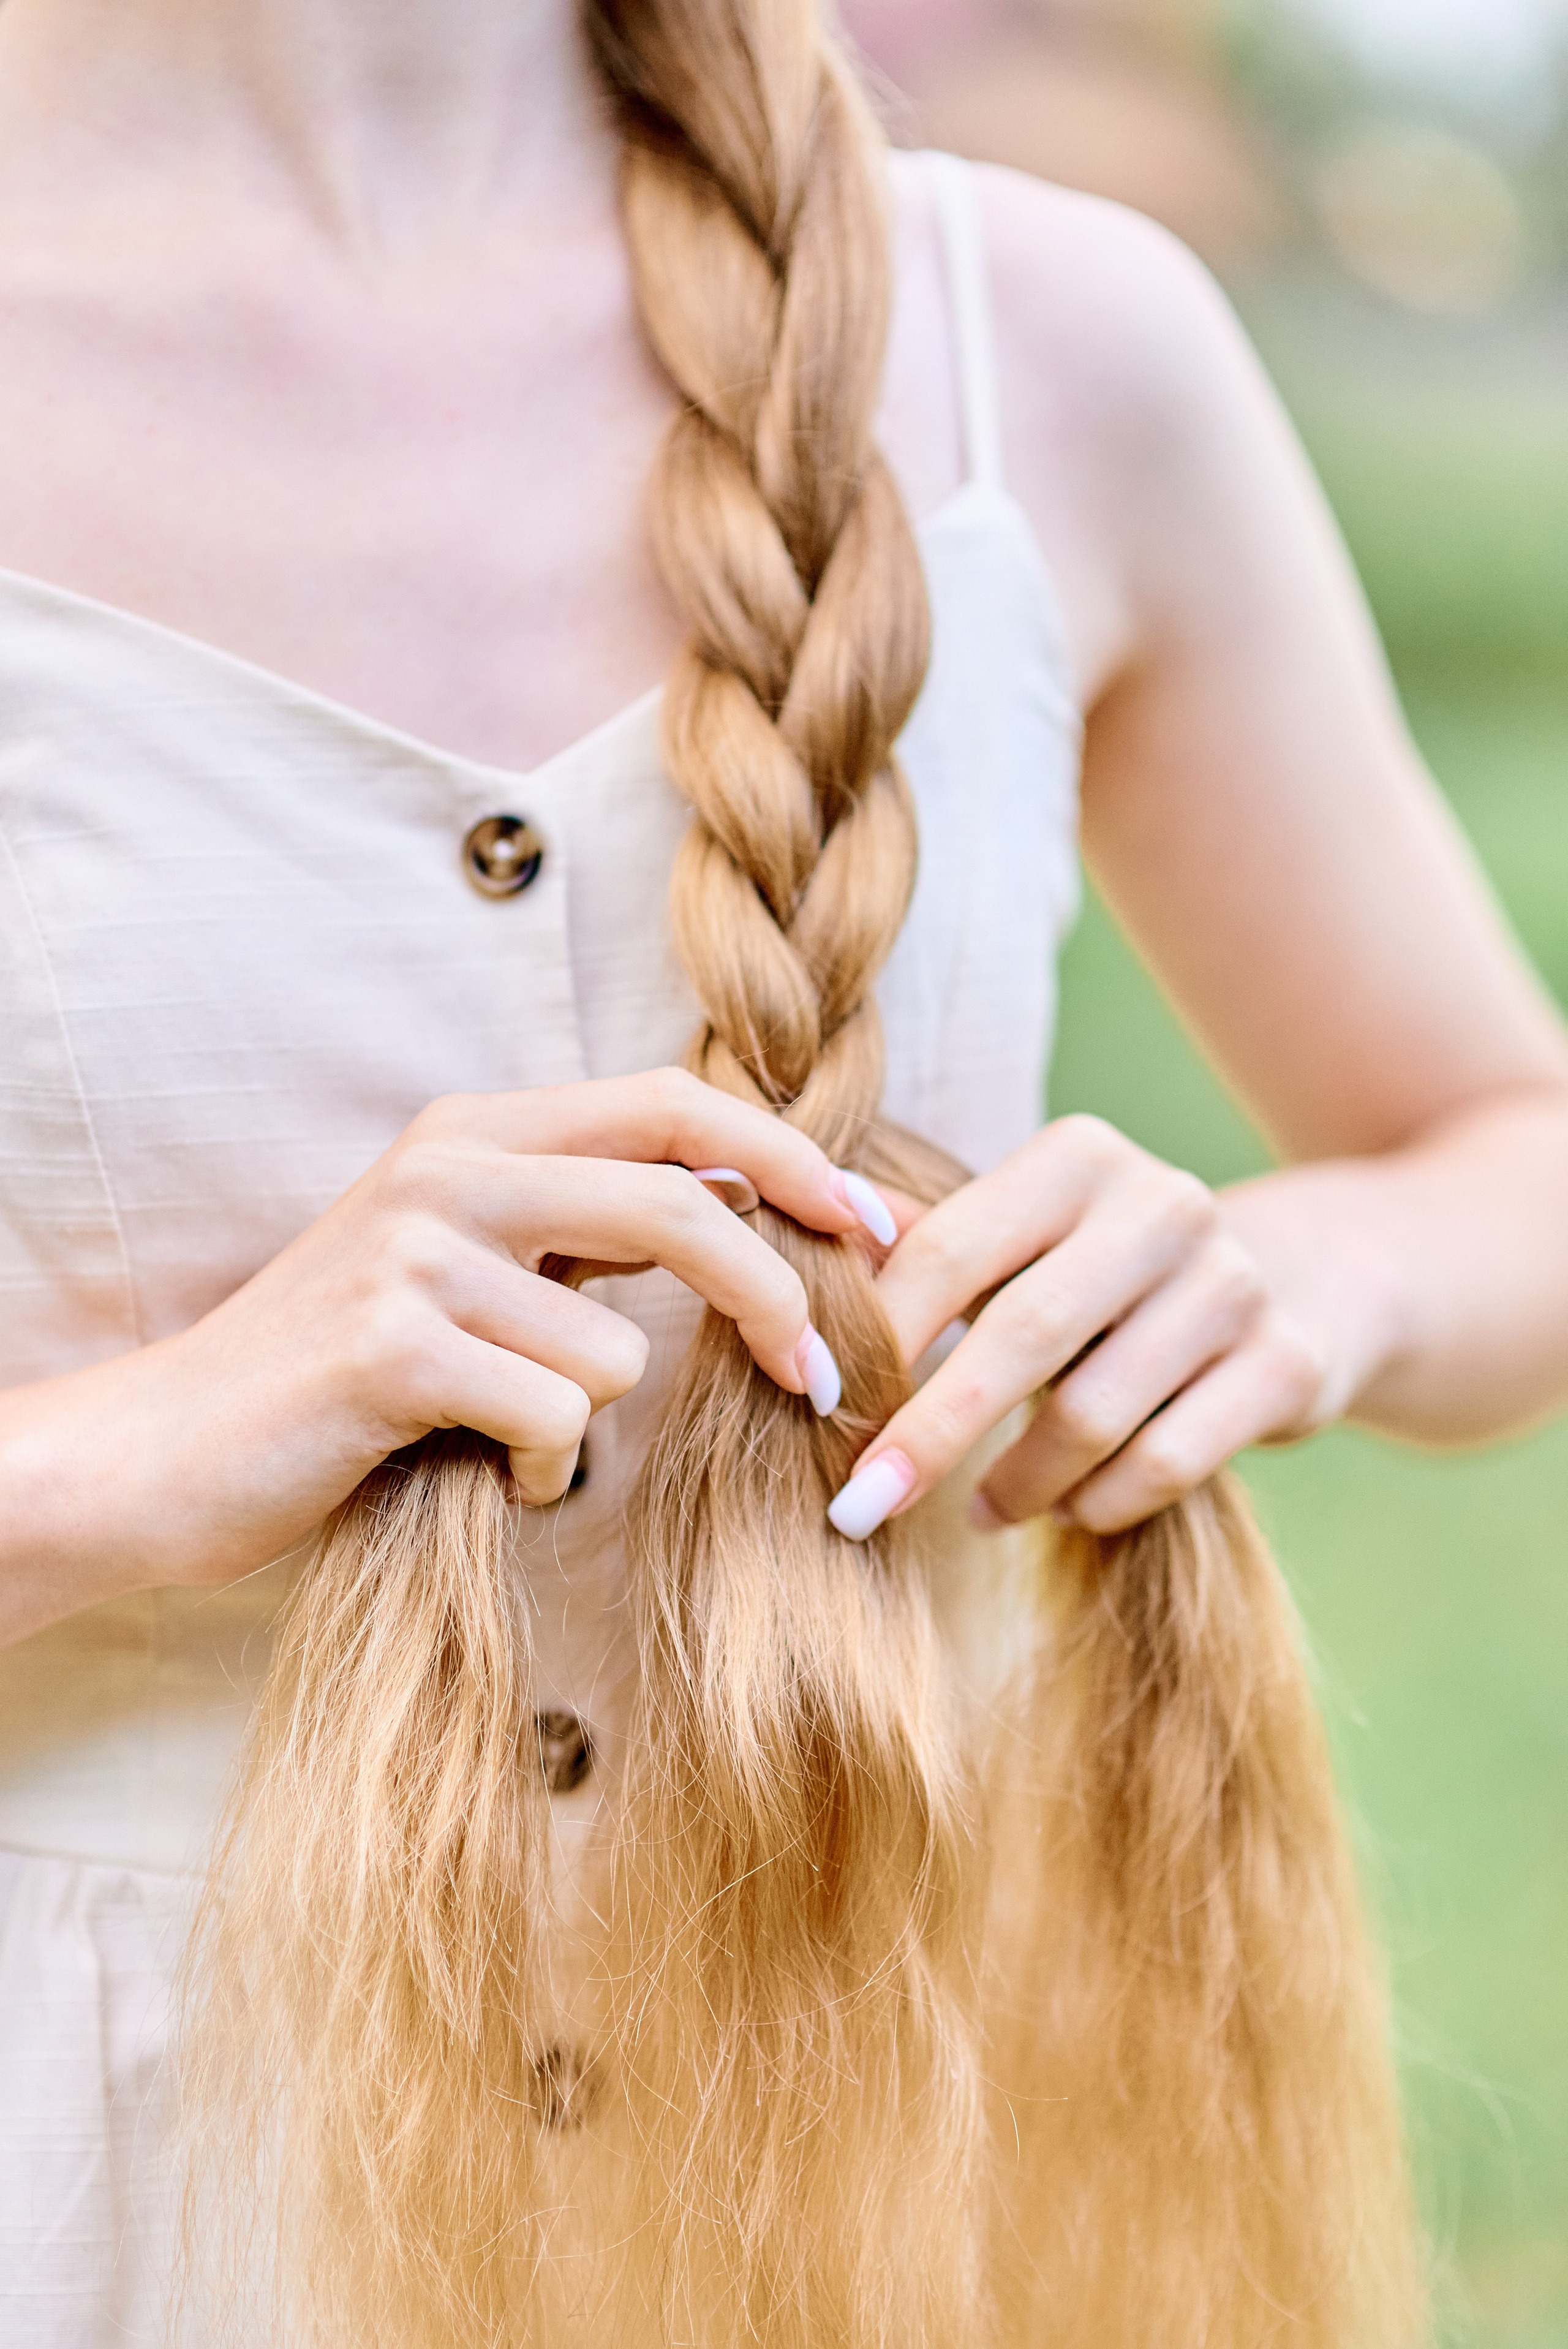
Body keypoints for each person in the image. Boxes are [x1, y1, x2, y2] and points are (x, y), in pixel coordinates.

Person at [1, 0, 1566, 2341]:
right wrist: (149, 1446)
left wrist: (1284, 1279)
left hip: (877, 2173)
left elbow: (1507, 1154)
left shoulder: (1048, 351)